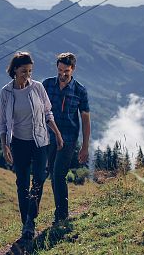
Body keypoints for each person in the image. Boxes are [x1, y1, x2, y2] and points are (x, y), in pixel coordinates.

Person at [0, 51, 64, 241]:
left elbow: (48, 113)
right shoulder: (6, 93)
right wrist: (5, 146)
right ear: (15, 71)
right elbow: (1, 124)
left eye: (30, 71)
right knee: (22, 183)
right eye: (24, 71)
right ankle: (26, 221)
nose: (27, 75)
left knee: (39, 180)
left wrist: (57, 134)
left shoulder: (37, 88)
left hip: (40, 141)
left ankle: (30, 221)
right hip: (19, 143)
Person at [43, 52, 91, 224]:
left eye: (67, 71)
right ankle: (60, 211)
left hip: (69, 139)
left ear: (73, 69)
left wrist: (85, 146)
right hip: (48, 138)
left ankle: (62, 216)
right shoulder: (47, 85)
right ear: (57, 67)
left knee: (58, 175)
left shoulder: (80, 91)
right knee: (52, 175)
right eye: (60, 70)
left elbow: (85, 120)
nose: (63, 75)